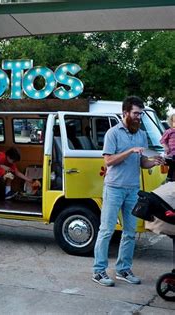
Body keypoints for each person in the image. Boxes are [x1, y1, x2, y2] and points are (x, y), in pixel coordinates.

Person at [92, 96, 164, 287]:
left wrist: (153, 162)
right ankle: (99, 271)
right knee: (106, 230)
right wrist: (130, 151)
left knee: (130, 232)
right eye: (136, 113)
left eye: (140, 114)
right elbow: (108, 161)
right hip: (114, 188)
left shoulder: (140, 134)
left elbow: (142, 162)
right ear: (125, 113)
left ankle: (123, 269)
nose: (138, 117)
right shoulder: (112, 133)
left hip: (133, 190)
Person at [160, 113, 175, 181]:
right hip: (171, 153)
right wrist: (166, 147)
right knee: (172, 166)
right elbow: (162, 141)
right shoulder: (169, 131)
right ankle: (170, 178)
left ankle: (170, 178)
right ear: (171, 122)